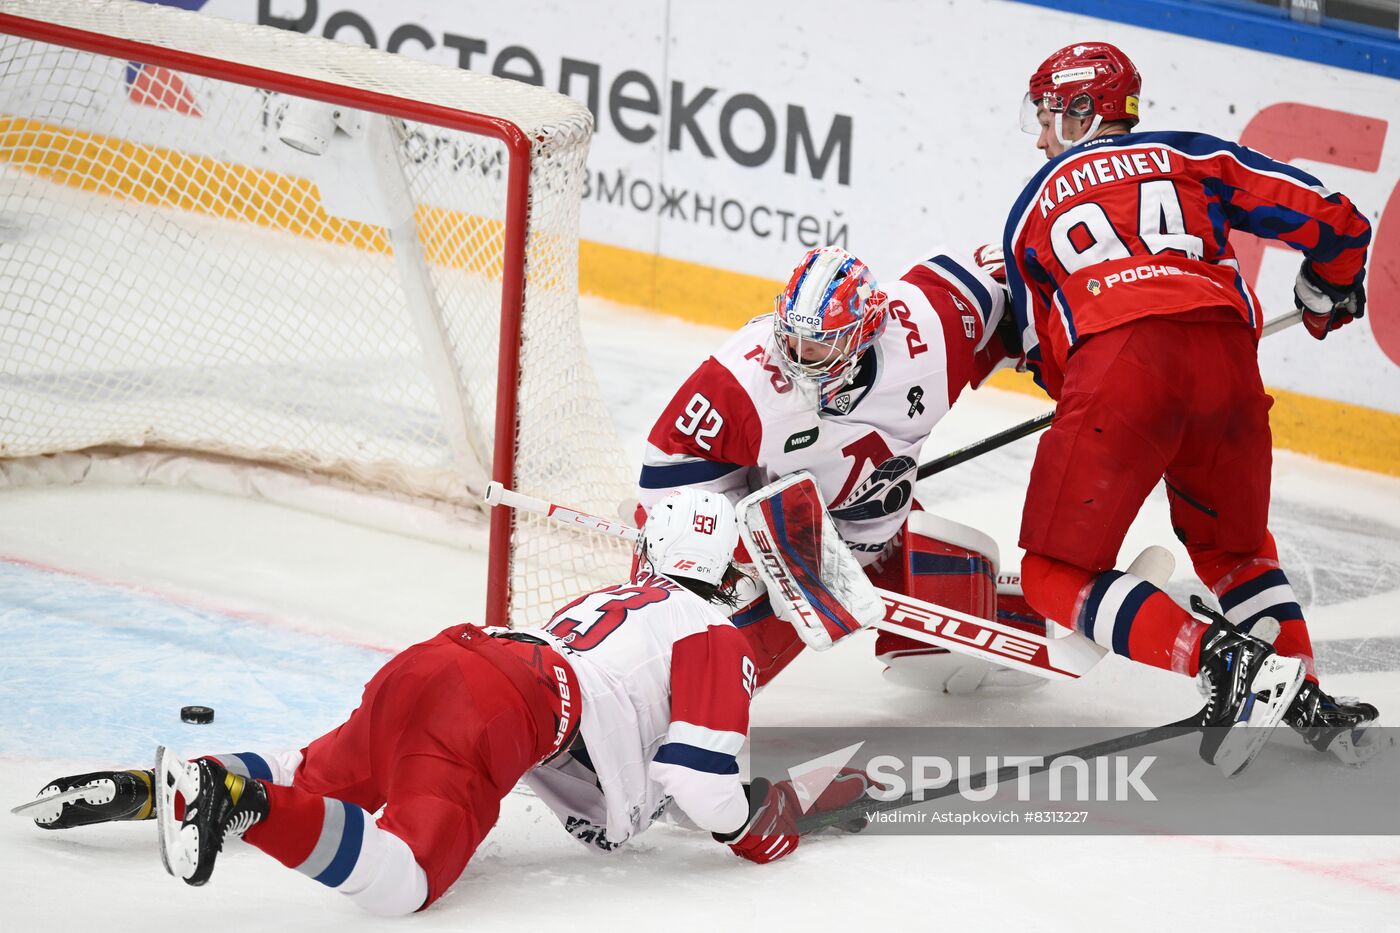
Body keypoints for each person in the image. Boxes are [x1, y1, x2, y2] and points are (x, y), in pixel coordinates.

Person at [21, 490, 872, 915]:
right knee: (405, 880)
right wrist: (758, 827)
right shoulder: (713, 631)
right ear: (730, 573)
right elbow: (699, 777)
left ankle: (154, 784)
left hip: (452, 653)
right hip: (498, 703)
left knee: (322, 770)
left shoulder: (618, 602)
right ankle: (231, 800)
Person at [1002, 41, 1378, 764]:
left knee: (1053, 573)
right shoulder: (1194, 156)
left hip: (1120, 371)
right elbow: (1340, 224)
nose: (1043, 135)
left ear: (1084, 111)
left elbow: (1042, 352)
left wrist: (1087, 393)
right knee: (1235, 554)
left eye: (1050, 114)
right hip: (1229, 368)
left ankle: (1218, 659)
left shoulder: (1030, 209)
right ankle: (1305, 695)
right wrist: (1326, 291)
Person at [639, 244, 1033, 692]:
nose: (798, 356)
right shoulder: (742, 381)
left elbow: (1007, 281)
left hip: (874, 517)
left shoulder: (932, 327)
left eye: (819, 344)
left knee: (941, 658)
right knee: (718, 668)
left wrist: (1058, 356)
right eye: (790, 337)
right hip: (789, 531)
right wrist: (755, 557)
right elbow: (666, 474)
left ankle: (1013, 608)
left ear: (866, 331)